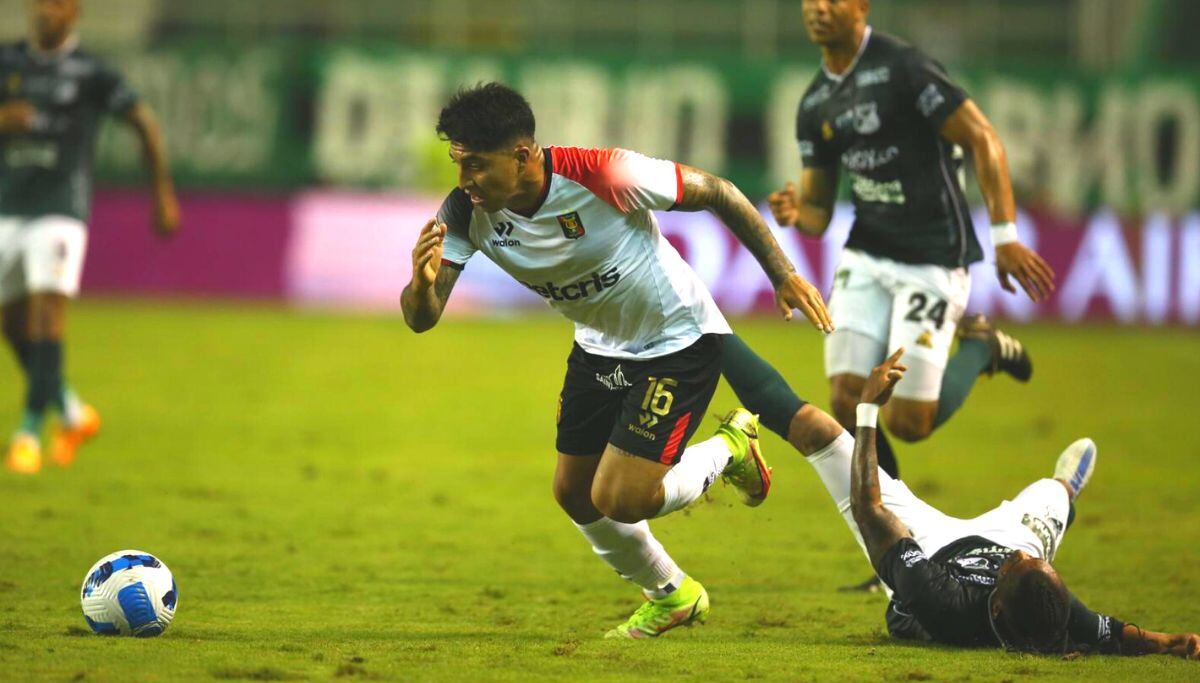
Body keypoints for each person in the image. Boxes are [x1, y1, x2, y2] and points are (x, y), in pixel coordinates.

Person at [401, 82, 832, 638]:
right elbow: (422, 317)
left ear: (523, 155)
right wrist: (421, 284)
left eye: (477, 166)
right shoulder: (466, 211)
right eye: (458, 164)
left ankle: (730, 449)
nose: (465, 182)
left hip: (677, 340)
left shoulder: (604, 175)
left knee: (622, 498)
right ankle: (672, 594)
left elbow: (719, 192)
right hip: (598, 345)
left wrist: (783, 274)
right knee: (573, 493)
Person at [768, 0, 1056, 484]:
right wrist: (798, 213)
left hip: (933, 253)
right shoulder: (815, 102)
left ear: (861, 6)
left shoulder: (905, 68)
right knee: (845, 400)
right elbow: (818, 212)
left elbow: (983, 139)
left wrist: (1005, 234)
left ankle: (981, 348)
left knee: (907, 422)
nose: (818, 8)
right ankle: (897, 532)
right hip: (867, 250)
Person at [795, 348, 1198, 658]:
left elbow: (871, 510)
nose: (1019, 555)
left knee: (825, 439)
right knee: (1050, 495)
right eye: (1031, 560)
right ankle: (1064, 494)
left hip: (933, 549)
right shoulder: (1046, 607)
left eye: (1017, 562)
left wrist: (866, 411)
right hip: (997, 543)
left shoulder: (942, 602)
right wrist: (1167, 641)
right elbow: (1107, 632)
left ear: (999, 606)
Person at [1, 0, 179, 474]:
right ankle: (73, 412)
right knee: (13, 325)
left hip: (61, 210)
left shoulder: (91, 72)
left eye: (56, 4)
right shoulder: (6, 62)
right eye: (38, 3)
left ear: (73, 13)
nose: (44, 12)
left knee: (47, 313)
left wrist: (161, 192)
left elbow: (144, 122)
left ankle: (27, 434)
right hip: (8, 207)